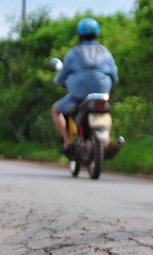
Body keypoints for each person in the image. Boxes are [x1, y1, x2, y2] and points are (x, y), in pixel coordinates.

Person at [52, 18, 119, 156]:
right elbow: (114, 75)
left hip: (78, 97)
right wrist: (111, 88)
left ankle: (67, 142)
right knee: (106, 113)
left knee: (56, 110)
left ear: (80, 34)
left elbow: (62, 76)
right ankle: (105, 143)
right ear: (97, 34)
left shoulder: (73, 53)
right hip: (102, 95)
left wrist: (56, 81)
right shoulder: (106, 52)